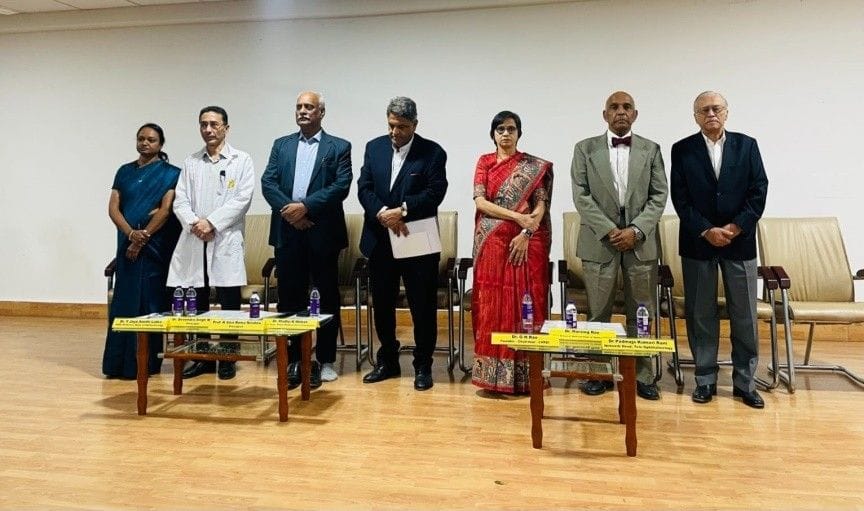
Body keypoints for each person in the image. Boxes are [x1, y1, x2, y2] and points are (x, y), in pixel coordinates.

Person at [671, 91, 768, 409]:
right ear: (695, 116)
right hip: (698, 243)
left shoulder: (747, 145)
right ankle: (705, 379)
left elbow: (759, 190)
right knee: (701, 314)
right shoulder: (682, 149)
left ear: (726, 112)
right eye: (704, 110)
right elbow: (680, 198)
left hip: (739, 243)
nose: (710, 114)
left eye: (716, 109)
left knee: (745, 315)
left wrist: (735, 227)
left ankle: (745, 382)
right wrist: (706, 230)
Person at [570, 91, 668, 400]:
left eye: (627, 107)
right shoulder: (584, 149)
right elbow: (581, 195)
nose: (621, 111)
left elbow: (659, 195)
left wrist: (636, 230)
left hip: (640, 243)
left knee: (642, 311)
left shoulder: (651, 150)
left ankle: (643, 376)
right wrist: (611, 230)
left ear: (635, 114)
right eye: (614, 107)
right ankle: (598, 372)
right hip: (601, 242)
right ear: (605, 115)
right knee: (598, 312)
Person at [261, 91, 352, 388]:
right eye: (299, 106)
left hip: (322, 232)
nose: (302, 111)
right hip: (287, 232)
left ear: (321, 112)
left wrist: (306, 207)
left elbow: (341, 186)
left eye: (309, 107)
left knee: (326, 298)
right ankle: (294, 360)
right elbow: (268, 182)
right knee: (289, 299)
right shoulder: (281, 145)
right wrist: (291, 212)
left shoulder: (339, 147)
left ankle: (325, 360)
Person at [357, 96, 448, 391]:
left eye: (402, 127)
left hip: (416, 237)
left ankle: (423, 365)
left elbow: (435, 192)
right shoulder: (374, 147)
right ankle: (388, 361)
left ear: (415, 125)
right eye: (391, 125)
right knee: (382, 304)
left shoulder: (433, 153)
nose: (395, 132)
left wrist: (403, 210)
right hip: (380, 237)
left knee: (422, 306)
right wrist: (384, 213)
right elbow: (364, 188)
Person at [167, 106, 255, 381]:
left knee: (229, 301)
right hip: (196, 238)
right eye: (203, 124)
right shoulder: (191, 162)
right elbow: (180, 200)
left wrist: (212, 223)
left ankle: (228, 356)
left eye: (214, 124)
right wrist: (195, 223)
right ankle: (203, 357)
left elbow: (242, 199)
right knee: (199, 298)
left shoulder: (242, 160)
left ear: (226, 128)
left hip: (225, 238)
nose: (208, 129)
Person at [470, 111, 553, 394]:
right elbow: (481, 202)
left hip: (525, 243)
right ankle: (492, 377)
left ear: (519, 133)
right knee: (492, 304)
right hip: (492, 243)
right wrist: (518, 217)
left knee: (525, 303)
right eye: (500, 129)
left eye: (511, 129)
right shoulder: (485, 162)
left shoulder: (532, 165)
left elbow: (540, 205)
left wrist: (526, 232)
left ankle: (527, 375)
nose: (505, 134)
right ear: (493, 134)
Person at [103, 123, 181, 379]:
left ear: (161, 144)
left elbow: (166, 210)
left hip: (154, 247)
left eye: (151, 139)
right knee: (124, 303)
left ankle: (146, 364)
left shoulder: (171, 173)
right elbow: (114, 208)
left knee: (149, 302)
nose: (145, 143)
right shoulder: (124, 171)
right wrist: (130, 235)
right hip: (126, 245)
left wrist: (141, 238)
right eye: (141, 138)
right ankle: (117, 364)